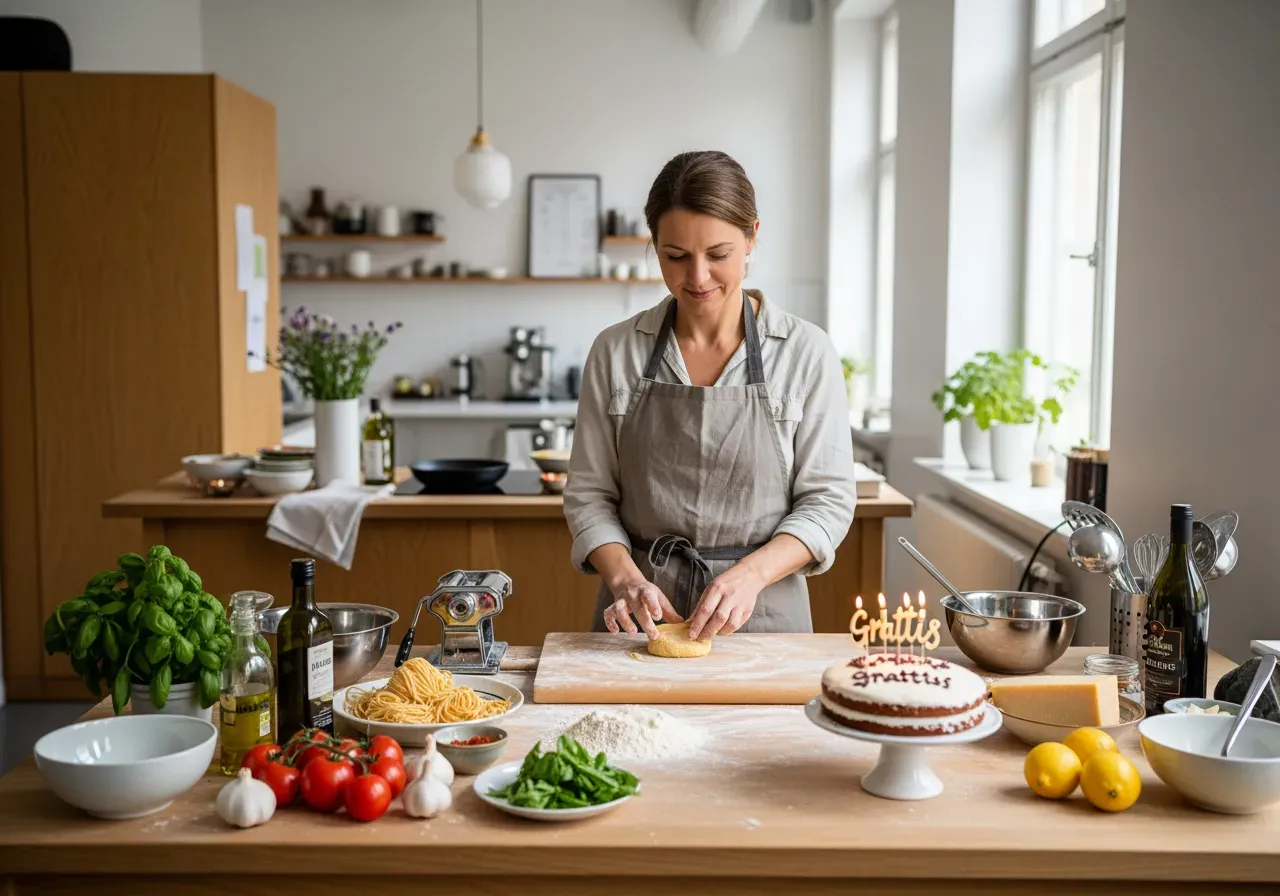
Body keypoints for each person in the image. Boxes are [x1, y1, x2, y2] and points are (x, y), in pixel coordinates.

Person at [563, 150, 857, 640]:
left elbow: (828, 500)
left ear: (752, 238)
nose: (696, 278)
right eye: (675, 256)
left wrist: (753, 574)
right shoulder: (615, 351)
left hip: (764, 615)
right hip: (641, 621)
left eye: (718, 255)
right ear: (654, 246)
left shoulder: (806, 352)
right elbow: (589, 496)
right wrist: (625, 578)